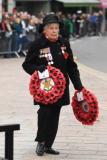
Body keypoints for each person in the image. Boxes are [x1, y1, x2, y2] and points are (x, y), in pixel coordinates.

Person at [22, 13, 88, 156]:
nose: (54, 31)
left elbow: (71, 66)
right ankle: (41, 142)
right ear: (44, 30)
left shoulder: (63, 43)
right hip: (44, 88)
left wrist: (79, 86)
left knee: (55, 115)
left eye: (56, 28)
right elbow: (27, 65)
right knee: (45, 113)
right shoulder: (37, 45)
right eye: (51, 28)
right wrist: (37, 70)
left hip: (61, 86)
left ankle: (48, 145)